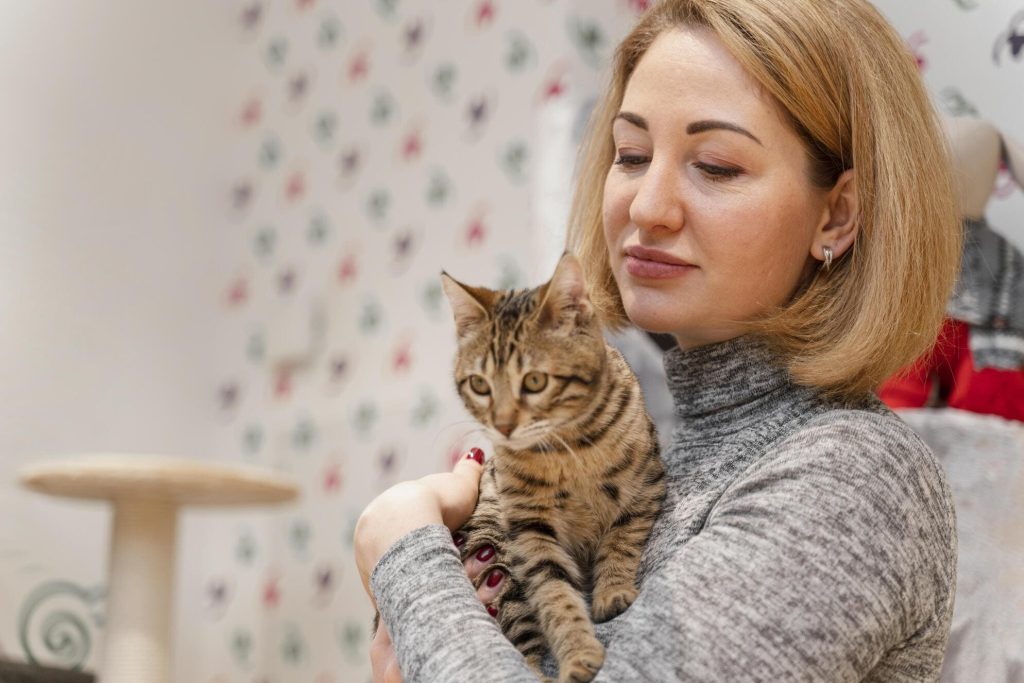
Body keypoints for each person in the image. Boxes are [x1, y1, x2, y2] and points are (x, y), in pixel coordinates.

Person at [354, 0, 962, 680]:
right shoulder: (661, 458)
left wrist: (402, 546)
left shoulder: (856, 476)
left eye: (716, 165)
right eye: (632, 154)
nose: (646, 206)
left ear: (838, 213)